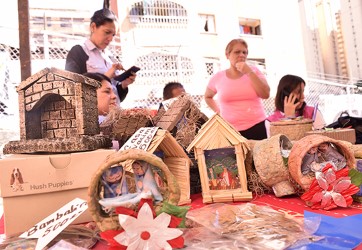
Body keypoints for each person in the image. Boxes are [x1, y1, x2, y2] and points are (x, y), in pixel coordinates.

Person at [65, 8, 136, 106]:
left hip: (114, 116)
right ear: (93, 27)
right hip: (93, 118)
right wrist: (106, 77)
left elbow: (116, 96)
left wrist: (124, 84)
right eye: (107, 32)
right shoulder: (78, 52)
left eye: (113, 34)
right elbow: (72, 89)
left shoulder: (110, 57)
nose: (110, 38)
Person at [204, 38, 270, 140]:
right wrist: (219, 112)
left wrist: (249, 72)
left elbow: (265, 94)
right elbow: (208, 97)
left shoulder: (255, 71)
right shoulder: (218, 77)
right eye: (237, 52)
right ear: (227, 55)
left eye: (245, 52)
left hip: (257, 126)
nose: (242, 55)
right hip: (231, 130)